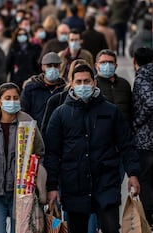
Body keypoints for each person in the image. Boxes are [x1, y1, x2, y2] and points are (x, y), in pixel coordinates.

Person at [45, 64, 140, 233]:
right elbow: (52, 153)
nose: (83, 85)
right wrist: (52, 186)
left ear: (94, 82)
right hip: (74, 184)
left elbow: (126, 144)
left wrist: (133, 173)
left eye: (86, 81)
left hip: (106, 182)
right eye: (79, 81)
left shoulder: (111, 111)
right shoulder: (60, 114)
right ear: (71, 84)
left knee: (111, 228)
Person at [0, 82, 45, 233]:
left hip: (21, 195)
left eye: (16, 98)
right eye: (8, 98)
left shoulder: (28, 123)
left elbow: (40, 152)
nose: (12, 101)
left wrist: (35, 180)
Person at [132, 47, 153, 228]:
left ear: (135, 61)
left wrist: (137, 122)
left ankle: (149, 219)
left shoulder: (141, 78)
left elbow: (149, 102)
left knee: (145, 180)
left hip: (146, 140)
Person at [95, 49, 133, 124]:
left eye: (110, 62)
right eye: (103, 62)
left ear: (116, 66)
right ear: (96, 65)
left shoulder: (124, 84)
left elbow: (131, 108)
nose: (107, 65)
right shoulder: (93, 85)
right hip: (103, 130)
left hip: (124, 129)